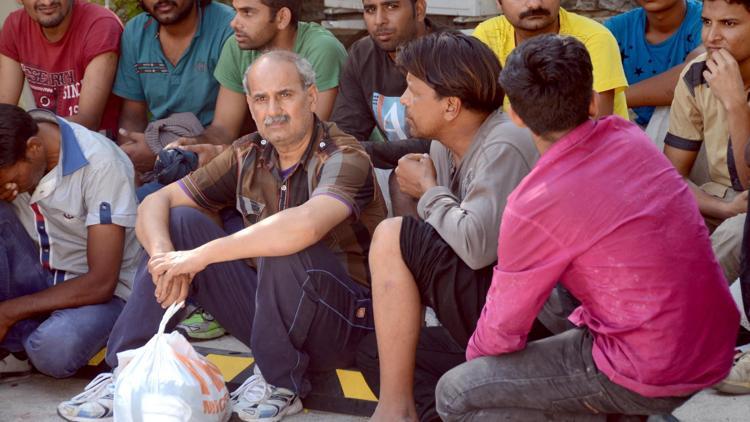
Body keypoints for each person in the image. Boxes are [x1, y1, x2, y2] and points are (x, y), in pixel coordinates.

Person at [58, 51, 386, 422]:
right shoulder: (249, 152)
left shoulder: (344, 154)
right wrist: (165, 257)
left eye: (285, 95)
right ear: (249, 104)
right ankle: (126, 368)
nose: (273, 109)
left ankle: (280, 382)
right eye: (261, 99)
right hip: (272, 317)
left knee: (283, 242)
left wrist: (200, 257)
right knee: (180, 221)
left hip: (344, 323)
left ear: (311, 97)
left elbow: (305, 225)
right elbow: (158, 201)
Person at [435, 34, 739, 421]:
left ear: (515, 115)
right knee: (558, 295)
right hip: (714, 342)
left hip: (650, 367)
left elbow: (501, 332)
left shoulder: (533, 202)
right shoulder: (630, 137)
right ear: (593, 101)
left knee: (457, 392)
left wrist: (480, 374)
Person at [365, 31, 538, 422]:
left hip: (527, 323)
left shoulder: (505, 143)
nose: (403, 101)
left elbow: (477, 247)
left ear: (450, 106)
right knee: (378, 353)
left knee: (393, 234)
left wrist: (427, 191)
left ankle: (395, 413)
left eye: (413, 91)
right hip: (480, 308)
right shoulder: (445, 144)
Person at [0, 105, 139, 379]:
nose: (8, 190)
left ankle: (18, 339)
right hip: (39, 275)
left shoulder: (101, 165)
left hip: (99, 294)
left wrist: (8, 312)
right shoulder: (15, 139)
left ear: (34, 148)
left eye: (13, 182)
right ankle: (17, 341)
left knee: (54, 348)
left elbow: (101, 283)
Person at [173, 0, 348, 148]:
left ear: (281, 18)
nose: (234, 23)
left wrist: (229, 158)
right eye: (236, 11)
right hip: (267, 157)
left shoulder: (322, 50)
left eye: (247, 13)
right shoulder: (236, 48)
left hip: (332, 161)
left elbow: (304, 140)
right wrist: (196, 145)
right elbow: (223, 130)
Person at [664, 0, 750, 284]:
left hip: (744, 212)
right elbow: (670, 178)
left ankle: (678, 308)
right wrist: (724, 208)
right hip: (718, 199)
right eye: (706, 22)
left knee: (739, 231)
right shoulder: (697, 73)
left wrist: (736, 104)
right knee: (649, 215)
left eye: (729, 24)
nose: (711, 37)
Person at [114, 0, 234, 181]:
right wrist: (132, 163)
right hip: (156, 156)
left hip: (215, 163)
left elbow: (226, 131)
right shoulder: (136, 32)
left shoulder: (228, 26)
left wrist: (163, 152)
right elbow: (132, 117)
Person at [473, 0, 629, 119]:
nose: (534, 4)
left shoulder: (594, 39)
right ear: (498, 2)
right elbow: (476, 116)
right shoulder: (487, 36)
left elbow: (596, 126)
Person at [330, 0, 434, 168]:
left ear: (419, 10)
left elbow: (437, 146)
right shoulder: (362, 55)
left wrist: (357, 150)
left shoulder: (449, 54)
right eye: (370, 9)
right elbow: (345, 132)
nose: (379, 20)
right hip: (390, 169)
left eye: (392, 6)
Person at [0, 0, 122, 137]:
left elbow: (88, 122)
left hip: (98, 143)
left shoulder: (100, 24)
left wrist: (25, 131)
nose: (47, 2)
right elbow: (4, 111)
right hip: (45, 140)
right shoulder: (15, 26)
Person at [605, 0, 703, 127]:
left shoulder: (709, 19)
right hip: (644, 130)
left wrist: (614, 99)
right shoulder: (616, 29)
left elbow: (697, 71)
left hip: (702, 130)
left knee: (674, 109)